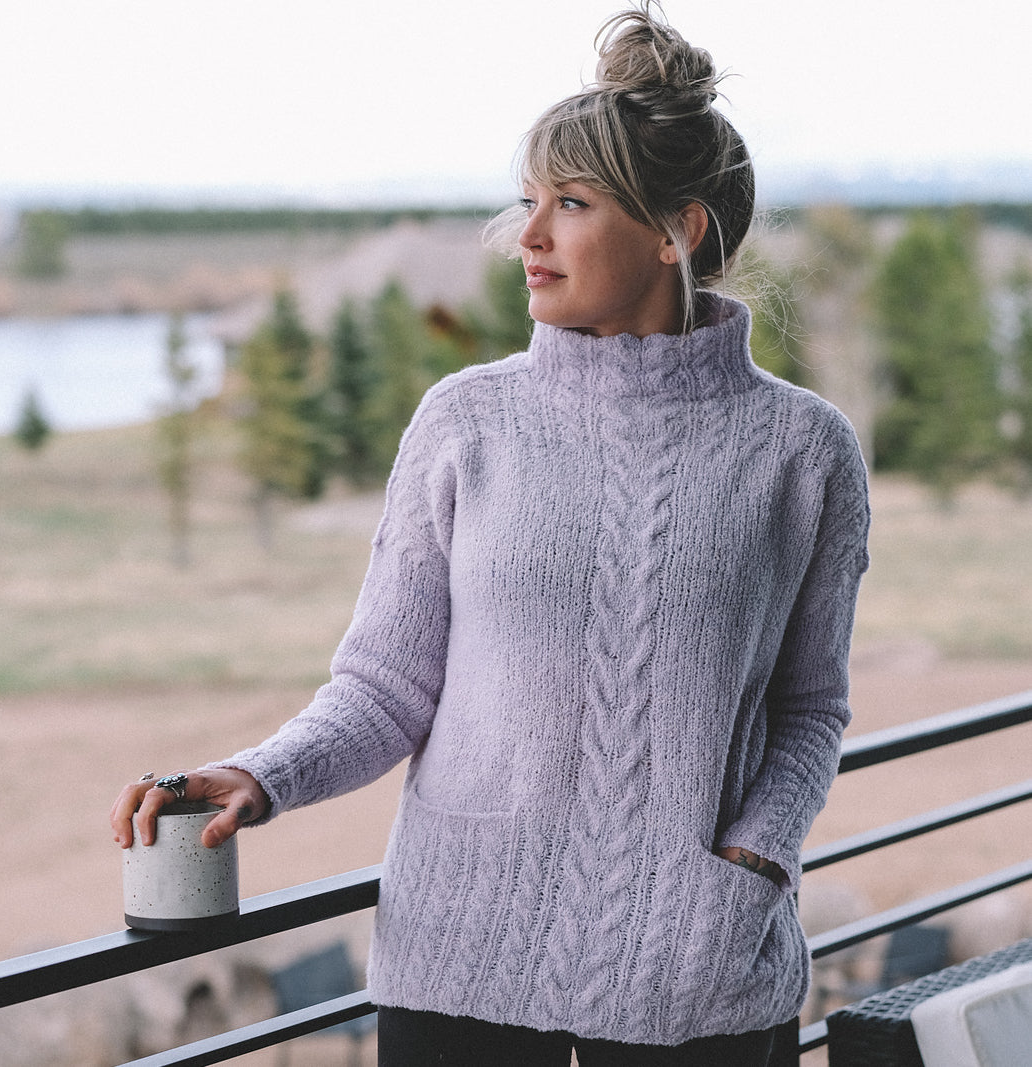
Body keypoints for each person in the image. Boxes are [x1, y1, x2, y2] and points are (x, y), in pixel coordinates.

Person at [111, 4, 870, 1063]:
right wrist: (262, 775)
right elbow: (386, 686)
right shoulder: (465, 421)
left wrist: (753, 857)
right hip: (458, 959)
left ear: (676, 231)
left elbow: (808, 705)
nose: (527, 236)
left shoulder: (802, 450)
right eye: (528, 202)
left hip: (696, 968)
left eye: (570, 203)